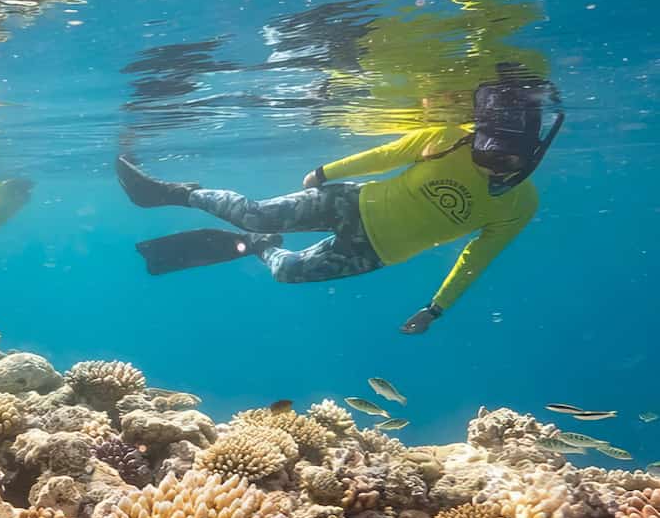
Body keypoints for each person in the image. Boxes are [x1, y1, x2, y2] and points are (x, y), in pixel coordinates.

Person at [117, 64, 564, 334]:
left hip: (372, 251)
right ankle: (171, 193)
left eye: (502, 161)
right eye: (483, 152)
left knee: (286, 273)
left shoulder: (520, 205)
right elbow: (389, 153)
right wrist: (329, 172)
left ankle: (257, 246)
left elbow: (476, 257)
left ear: (531, 155)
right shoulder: (451, 139)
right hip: (351, 201)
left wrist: (437, 307)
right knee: (254, 213)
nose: (487, 164)